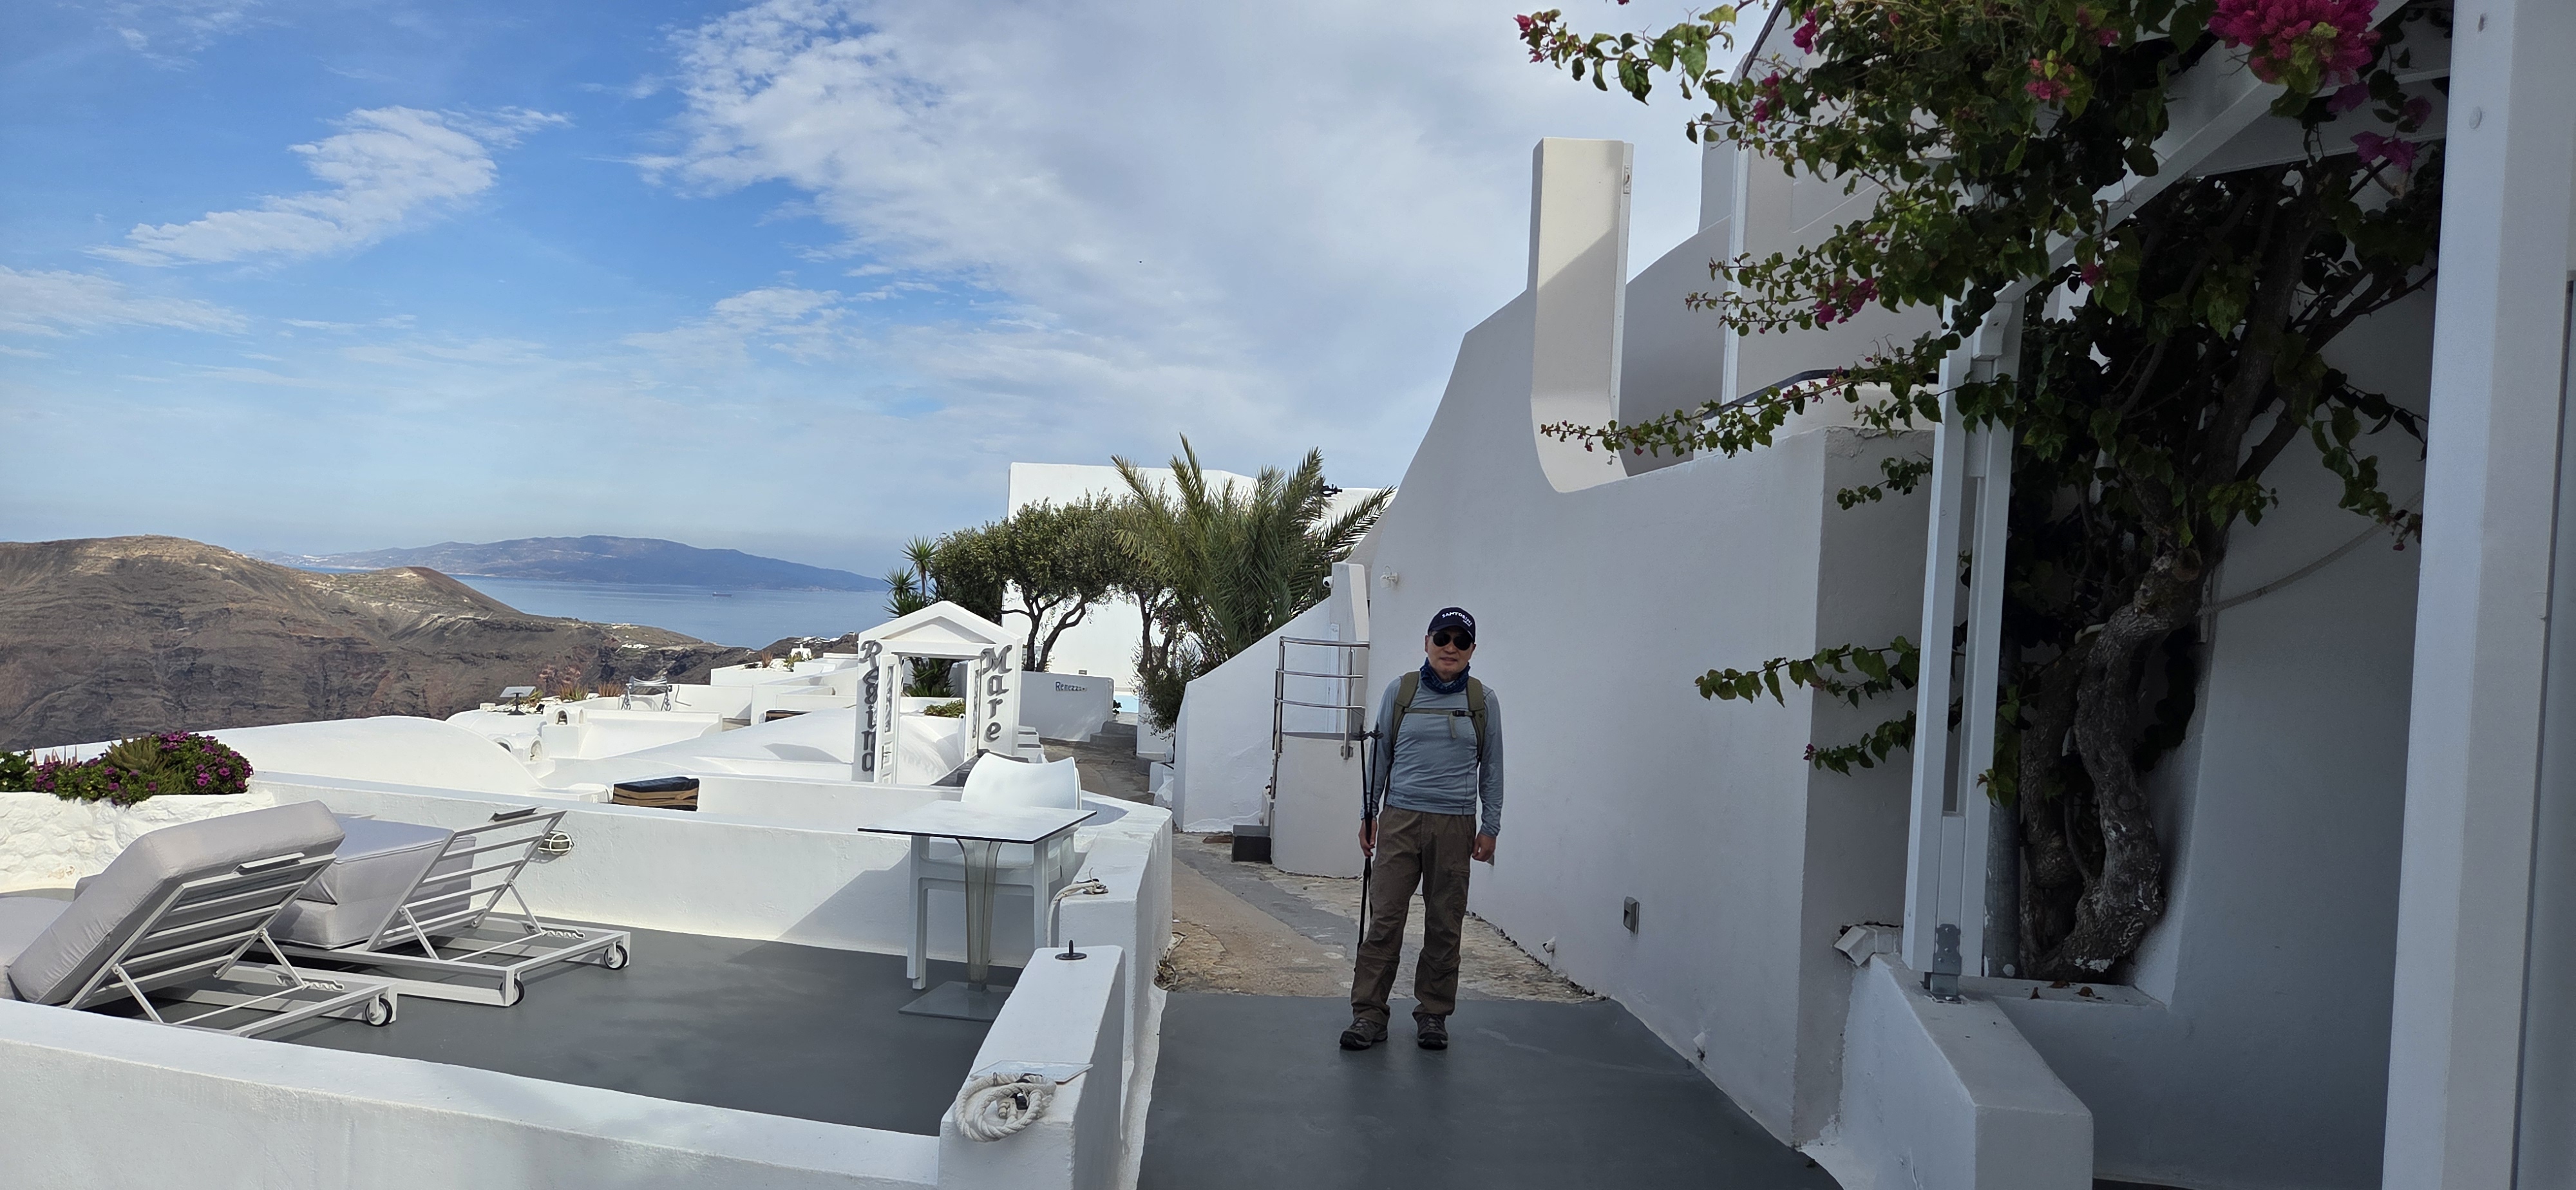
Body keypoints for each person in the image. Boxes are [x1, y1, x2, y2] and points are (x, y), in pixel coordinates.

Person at [1340, 606, 1502, 1052]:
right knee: (1385, 920)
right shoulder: (1401, 692)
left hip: (1456, 824)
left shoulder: (1482, 701)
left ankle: (1433, 1014)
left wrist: (1491, 826)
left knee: (1445, 924)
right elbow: (1381, 756)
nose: (1451, 648)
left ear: (1472, 649)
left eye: (1461, 641)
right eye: (1442, 638)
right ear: (1427, 642)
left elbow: (1492, 768)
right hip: (1400, 820)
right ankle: (1368, 1014)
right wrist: (1369, 813)